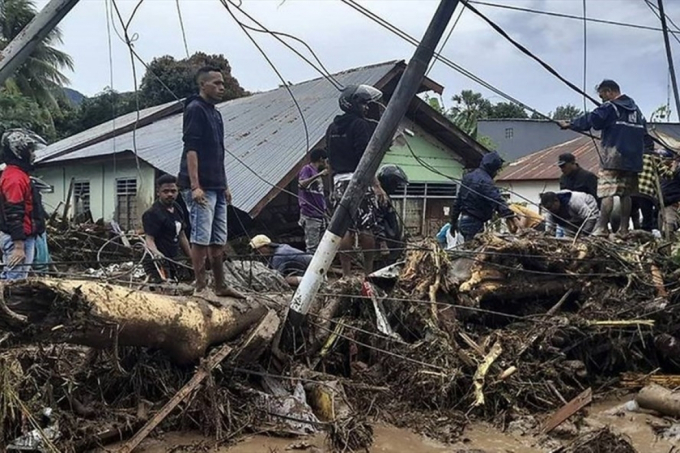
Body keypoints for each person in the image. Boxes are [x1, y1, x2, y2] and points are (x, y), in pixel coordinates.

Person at [177, 66, 244, 298]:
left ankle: (220, 285)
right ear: (202, 85)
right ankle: (201, 286)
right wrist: (195, 186)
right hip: (201, 187)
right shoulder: (195, 109)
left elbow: (219, 152)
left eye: (222, 83)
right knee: (201, 237)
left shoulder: (216, 113)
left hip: (216, 185)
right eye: (216, 83)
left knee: (218, 239)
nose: (221, 87)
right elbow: (191, 149)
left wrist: (224, 184)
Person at [559, 80, 646, 236]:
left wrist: (571, 124)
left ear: (609, 92)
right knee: (626, 194)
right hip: (633, 160)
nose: (602, 100)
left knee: (607, 192)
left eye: (602, 96)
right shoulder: (636, 111)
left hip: (613, 157)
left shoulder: (610, 107)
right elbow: (644, 132)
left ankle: (603, 228)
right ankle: (624, 230)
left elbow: (592, 119)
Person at [326, 84, 388, 277]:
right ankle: (368, 272)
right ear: (353, 104)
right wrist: (377, 186)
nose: (366, 107)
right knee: (366, 226)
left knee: (343, 228)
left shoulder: (332, 127)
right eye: (363, 103)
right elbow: (365, 158)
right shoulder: (359, 125)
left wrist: (330, 188)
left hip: (338, 182)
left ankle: (346, 274)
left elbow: (329, 161)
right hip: (358, 180)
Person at [0, 129, 47, 280]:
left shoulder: (19, 174)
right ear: (19, 151)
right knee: (14, 282)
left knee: (15, 278)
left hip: (21, 236)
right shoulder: (15, 178)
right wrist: (19, 246)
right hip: (17, 239)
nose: (33, 154)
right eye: (30, 149)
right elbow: (13, 212)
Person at [450, 152, 518, 241]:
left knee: (469, 249)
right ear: (492, 168)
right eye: (496, 170)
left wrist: (453, 222)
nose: (496, 173)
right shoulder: (485, 181)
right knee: (475, 251)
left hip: (463, 220)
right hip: (475, 222)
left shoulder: (467, 177)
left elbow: (458, 202)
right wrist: (509, 214)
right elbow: (496, 199)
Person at [142, 175, 192, 283]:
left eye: (173, 191)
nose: (170, 194)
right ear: (158, 192)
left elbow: (182, 236)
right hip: (157, 261)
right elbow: (149, 240)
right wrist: (157, 254)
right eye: (166, 191)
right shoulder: (152, 213)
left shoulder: (178, 208)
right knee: (162, 290)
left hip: (173, 257)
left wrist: (191, 257)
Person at [298, 149, 329, 253]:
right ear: (321, 159)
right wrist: (318, 175)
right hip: (310, 214)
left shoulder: (315, 171)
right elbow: (301, 184)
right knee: (312, 248)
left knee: (322, 247)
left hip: (320, 215)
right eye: (325, 160)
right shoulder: (307, 169)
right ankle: (310, 268)